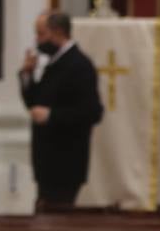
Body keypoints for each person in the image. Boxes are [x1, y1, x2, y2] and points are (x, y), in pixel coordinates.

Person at [18, 10, 103, 209]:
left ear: (58, 32)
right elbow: (34, 104)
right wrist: (27, 75)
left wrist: (51, 116)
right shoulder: (55, 64)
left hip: (65, 162)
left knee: (55, 219)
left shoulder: (79, 65)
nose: (37, 41)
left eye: (41, 34)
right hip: (47, 163)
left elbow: (92, 112)